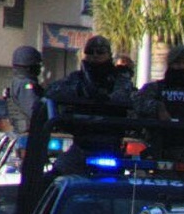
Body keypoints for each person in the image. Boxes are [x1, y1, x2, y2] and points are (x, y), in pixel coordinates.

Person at [45, 35, 138, 174]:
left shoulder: (120, 79)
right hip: (82, 145)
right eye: (90, 51)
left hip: (109, 145)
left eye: (100, 52)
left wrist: (106, 99)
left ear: (108, 55)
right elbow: (52, 93)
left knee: (113, 187)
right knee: (53, 179)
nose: (95, 56)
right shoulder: (77, 78)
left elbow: (127, 98)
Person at [3, 45, 43, 137]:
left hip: (20, 132)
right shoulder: (26, 85)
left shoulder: (17, 82)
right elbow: (33, 111)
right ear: (29, 67)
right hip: (28, 134)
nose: (40, 68)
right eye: (37, 65)